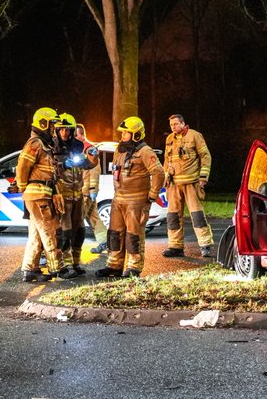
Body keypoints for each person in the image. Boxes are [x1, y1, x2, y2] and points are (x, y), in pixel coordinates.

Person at [96, 116, 163, 279]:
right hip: (118, 199)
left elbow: (159, 173)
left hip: (137, 201)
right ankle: (114, 265)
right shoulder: (120, 149)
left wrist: (153, 194)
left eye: (126, 133)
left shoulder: (145, 152)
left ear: (136, 135)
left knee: (134, 235)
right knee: (114, 233)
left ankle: (133, 267)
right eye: (123, 132)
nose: (123, 135)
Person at [17, 107, 79, 282]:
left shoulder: (44, 144)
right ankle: (57, 268)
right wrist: (23, 187)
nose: (54, 129)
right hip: (38, 196)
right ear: (43, 124)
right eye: (52, 124)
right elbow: (22, 167)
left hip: (42, 194)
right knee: (50, 231)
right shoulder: (35, 144)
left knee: (36, 234)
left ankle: (30, 269)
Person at [162, 113, 214, 258]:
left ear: (183, 123)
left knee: (197, 215)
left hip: (191, 183)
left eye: (176, 124)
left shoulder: (194, 136)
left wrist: (203, 177)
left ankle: (206, 245)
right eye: (171, 125)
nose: (173, 127)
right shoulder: (169, 139)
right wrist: (166, 176)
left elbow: (205, 156)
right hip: (174, 184)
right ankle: (175, 246)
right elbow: (167, 160)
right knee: (173, 217)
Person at [54, 113, 98, 274]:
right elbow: (49, 169)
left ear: (72, 131)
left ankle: (76, 263)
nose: (64, 133)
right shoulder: (53, 147)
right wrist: (62, 164)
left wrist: (93, 157)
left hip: (77, 195)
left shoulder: (77, 147)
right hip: (62, 196)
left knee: (79, 230)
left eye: (67, 129)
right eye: (61, 129)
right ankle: (65, 265)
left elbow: (87, 165)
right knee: (64, 231)